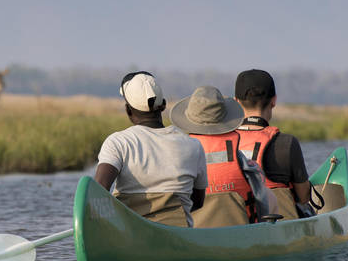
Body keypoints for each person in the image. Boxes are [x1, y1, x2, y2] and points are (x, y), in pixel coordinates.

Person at [94, 71, 207, 228]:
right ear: (164, 105)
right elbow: (198, 202)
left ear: (128, 110)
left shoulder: (118, 142)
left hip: (128, 235)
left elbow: (97, 193)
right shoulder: (193, 145)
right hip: (177, 236)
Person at [170, 86, 278, 227]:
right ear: (224, 118)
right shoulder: (244, 163)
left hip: (194, 235)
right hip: (241, 233)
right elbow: (262, 201)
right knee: (272, 199)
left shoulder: (179, 159)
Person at [234, 69, 316, 219]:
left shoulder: (224, 143)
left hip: (236, 224)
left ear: (236, 102)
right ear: (274, 101)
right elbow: (304, 198)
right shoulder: (287, 143)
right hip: (280, 229)